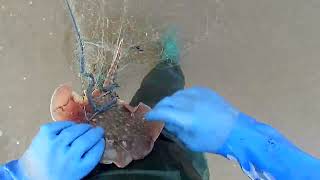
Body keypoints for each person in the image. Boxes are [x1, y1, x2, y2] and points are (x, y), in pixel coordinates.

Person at [1, 31, 320, 180]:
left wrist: (25, 176)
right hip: (175, 165)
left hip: (89, 168)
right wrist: (244, 139)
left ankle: (167, 59)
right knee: (164, 95)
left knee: (147, 101)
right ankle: (169, 58)